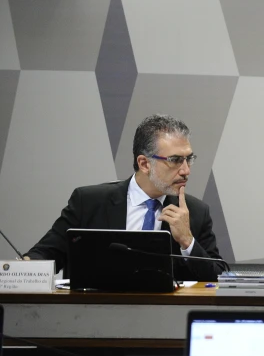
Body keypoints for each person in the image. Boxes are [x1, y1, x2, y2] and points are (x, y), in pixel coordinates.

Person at [25, 114, 226, 281]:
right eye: (175, 160)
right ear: (144, 164)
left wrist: (187, 241)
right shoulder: (89, 202)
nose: (185, 170)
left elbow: (218, 277)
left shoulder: (195, 212)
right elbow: (46, 254)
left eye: (188, 159)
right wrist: (21, 269)